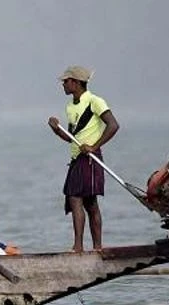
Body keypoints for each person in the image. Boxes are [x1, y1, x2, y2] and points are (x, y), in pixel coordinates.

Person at [48, 65, 119, 252]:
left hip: (91, 158)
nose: (63, 84)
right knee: (88, 202)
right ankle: (94, 248)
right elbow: (72, 138)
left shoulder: (95, 101)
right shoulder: (71, 107)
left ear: (76, 82)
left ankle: (81, 246)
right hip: (76, 159)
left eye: (66, 81)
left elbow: (113, 125)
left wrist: (94, 146)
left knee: (77, 198)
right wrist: (56, 129)